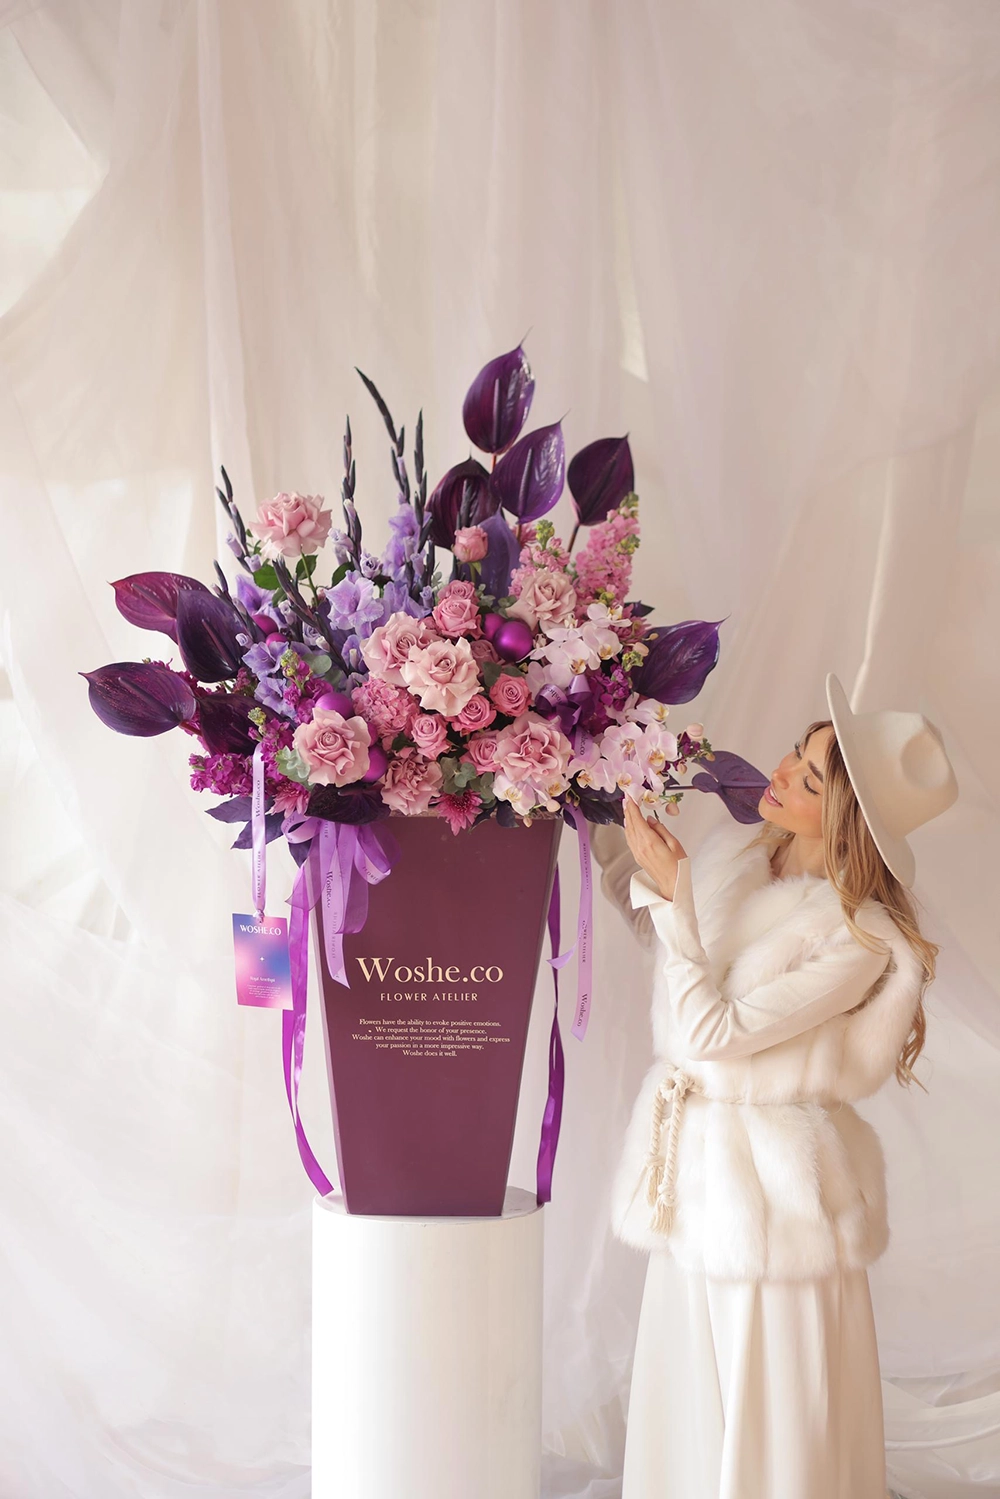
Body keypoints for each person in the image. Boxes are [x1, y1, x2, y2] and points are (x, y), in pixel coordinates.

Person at [589, 672, 959, 1499]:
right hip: (698, 1172)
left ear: (846, 818)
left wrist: (675, 896)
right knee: (691, 1391)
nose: (782, 770)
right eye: (797, 750)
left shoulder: (856, 937)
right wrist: (590, 801)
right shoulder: (744, 859)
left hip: (774, 1198)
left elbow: (709, 1035)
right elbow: (669, 948)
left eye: (812, 777)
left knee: (770, 1398)